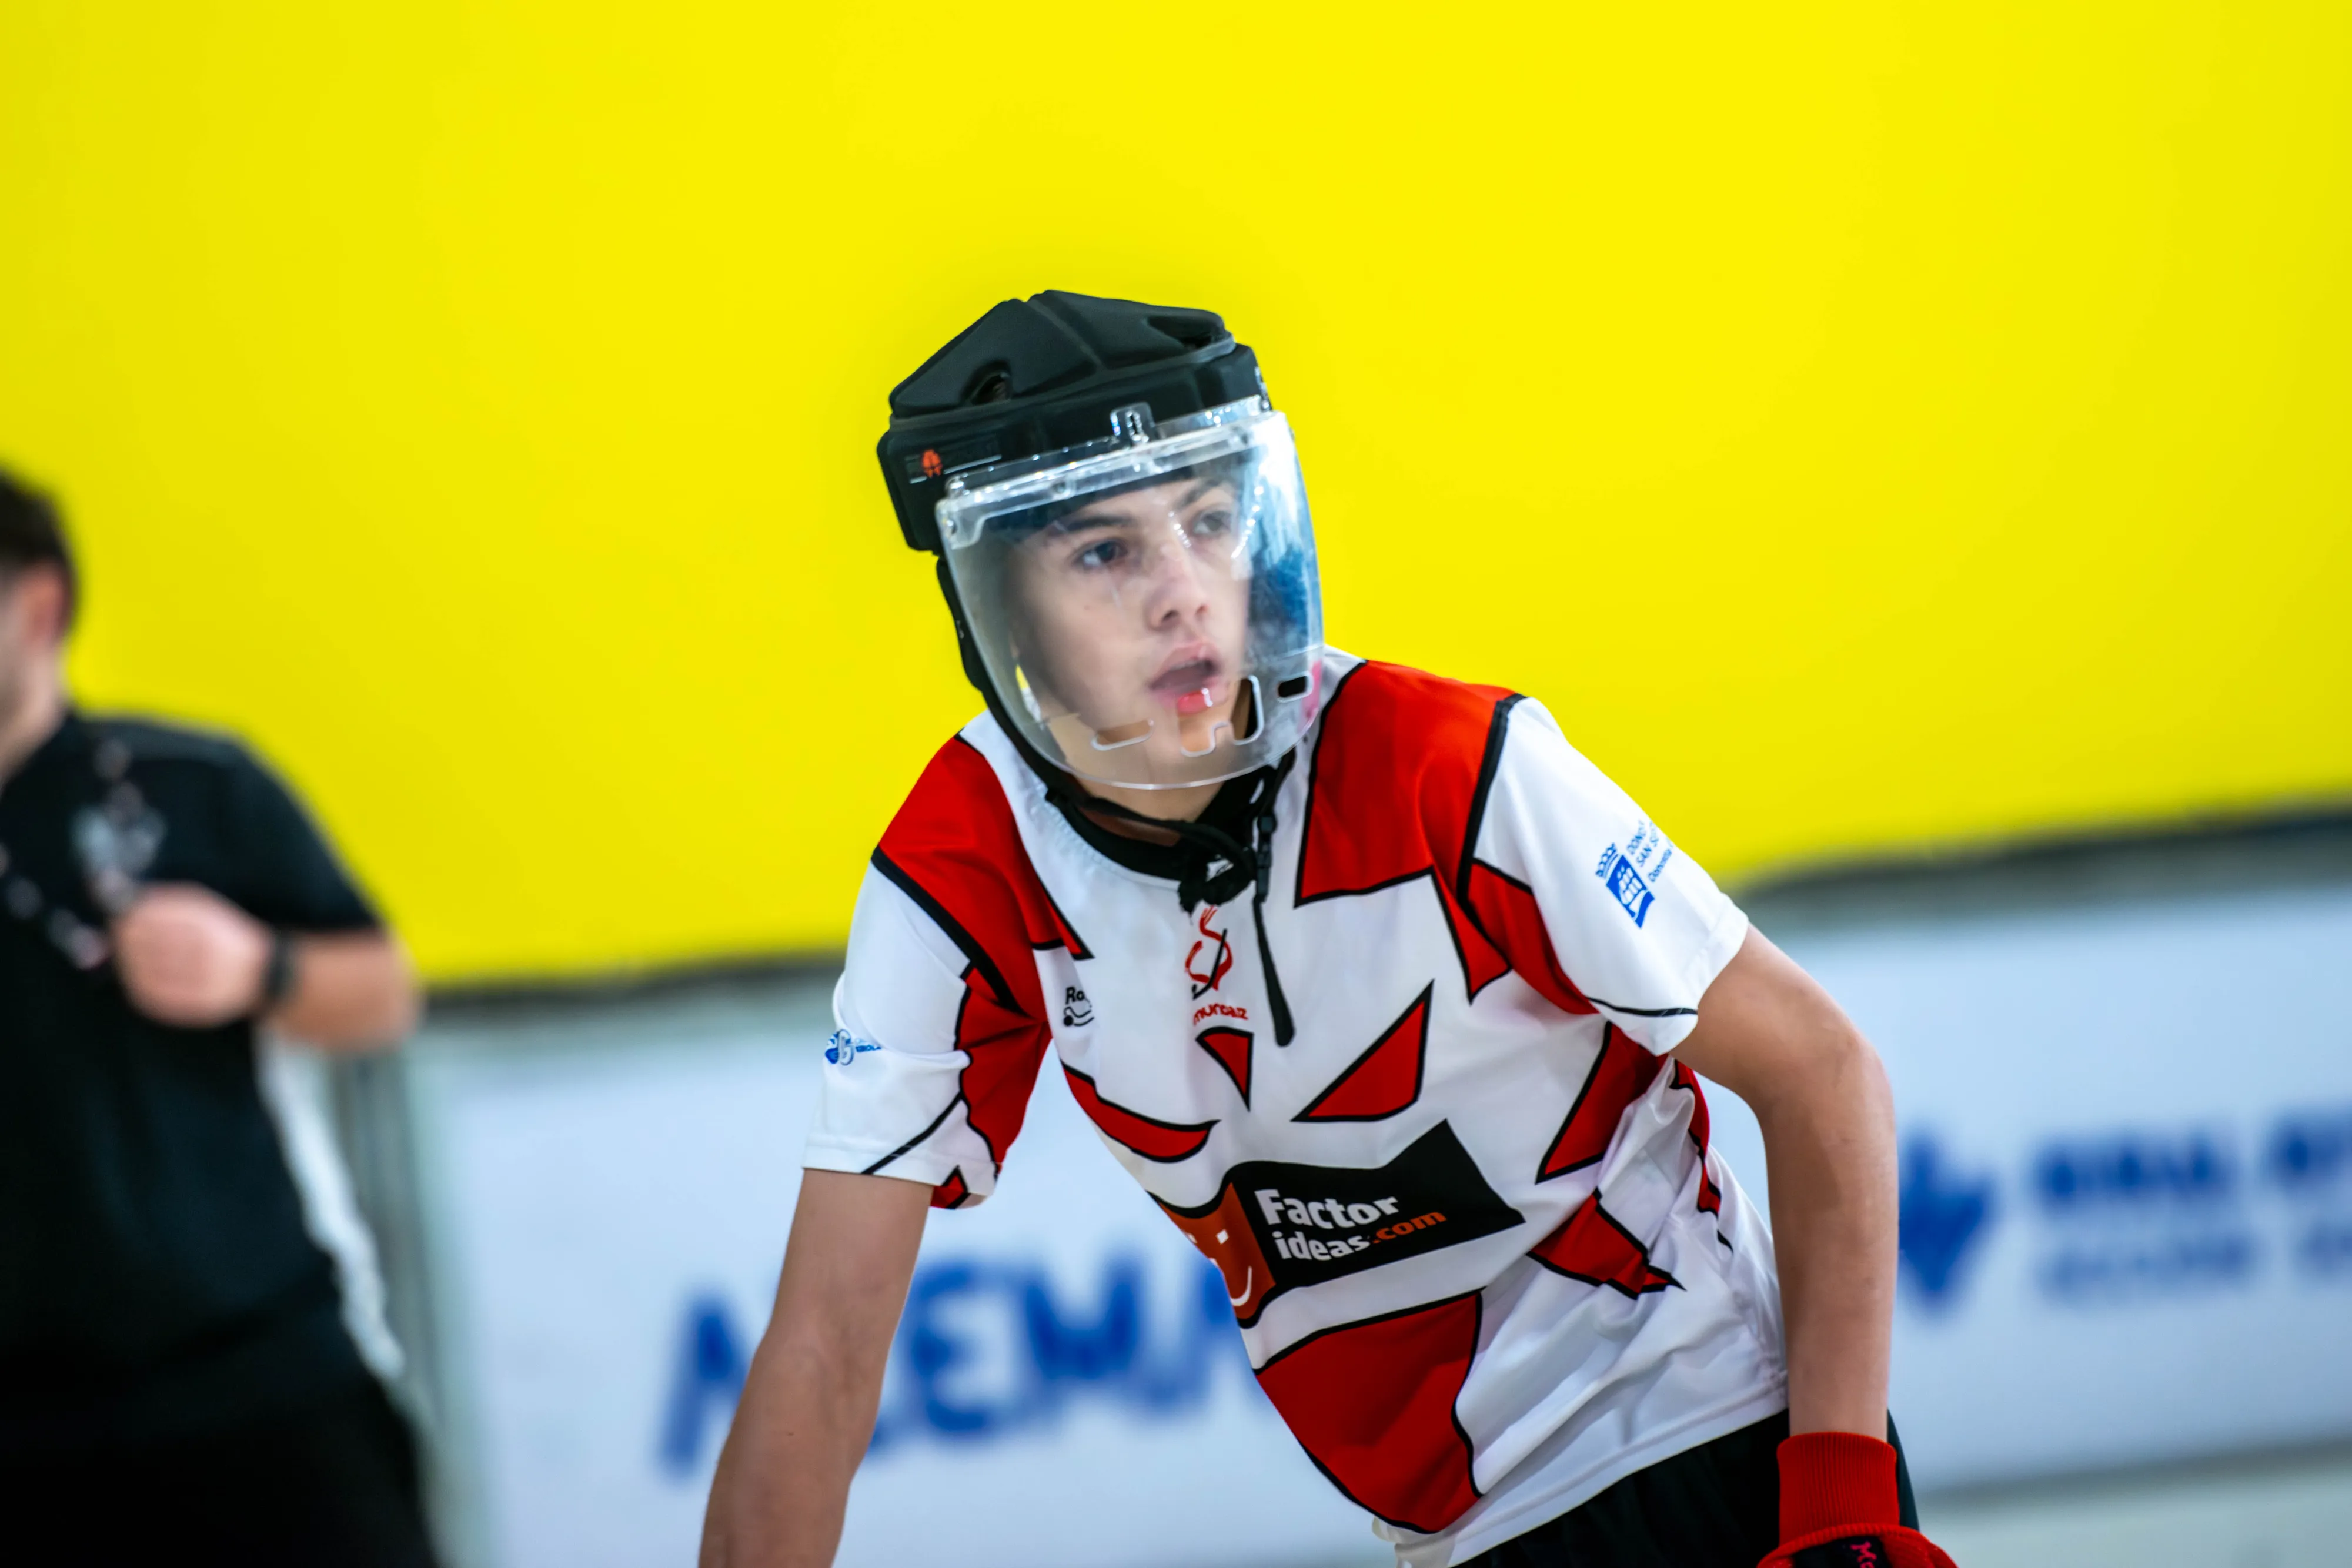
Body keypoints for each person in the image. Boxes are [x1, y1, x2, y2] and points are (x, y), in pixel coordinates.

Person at [701, 293, 1956, 1568]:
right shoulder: (959, 869)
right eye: (1104, 553)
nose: (1185, 595)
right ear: (1001, 615)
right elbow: (824, 1343)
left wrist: (1841, 1506)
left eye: (1208, 520)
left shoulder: (1448, 764)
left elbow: (1819, 1067)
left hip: (1722, 1443)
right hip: (1455, 1536)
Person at [0, 469, 439, 1567]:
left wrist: (261, 968)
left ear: (39, 607)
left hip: (260, 1375)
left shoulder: (192, 785)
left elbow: (385, 992)